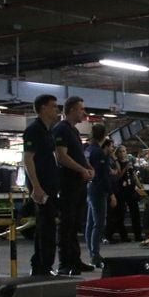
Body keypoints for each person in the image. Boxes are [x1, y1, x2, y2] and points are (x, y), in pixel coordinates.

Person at [53, 96, 95, 275]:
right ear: (70, 110)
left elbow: (78, 154)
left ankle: (75, 260)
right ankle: (65, 263)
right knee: (66, 223)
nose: (84, 113)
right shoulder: (61, 129)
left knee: (75, 222)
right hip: (68, 182)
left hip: (78, 182)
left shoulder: (74, 131)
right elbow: (61, 156)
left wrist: (88, 167)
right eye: (80, 109)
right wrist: (81, 169)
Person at [23, 94, 61, 276]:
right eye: (53, 106)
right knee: (45, 225)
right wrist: (36, 186)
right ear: (43, 108)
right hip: (41, 185)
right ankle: (42, 266)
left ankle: (42, 263)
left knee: (47, 225)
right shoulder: (34, 130)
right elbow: (28, 158)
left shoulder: (48, 131)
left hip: (50, 184)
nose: (57, 109)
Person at [84, 125, 115, 268]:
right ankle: (95, 255)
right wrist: (111, 194)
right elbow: (103, 176)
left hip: (90, 188)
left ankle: (92, 252)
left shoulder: (88, 150)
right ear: (104, 135)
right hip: (98, 190)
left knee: (91, 223)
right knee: (99, 223)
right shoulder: (98, 153)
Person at [109, 150, 143, 243]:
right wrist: (124, 169)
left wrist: (140, 187)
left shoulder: (129, 163)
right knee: (120, 214)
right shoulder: (116, 164)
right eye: (121, 151)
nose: (123, 153)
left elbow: (134, 176)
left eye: (124, 151)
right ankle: (123, 236)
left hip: (131, 190)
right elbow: (117, 177)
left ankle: (138, 235)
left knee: (135, 213)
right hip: (120, 190)